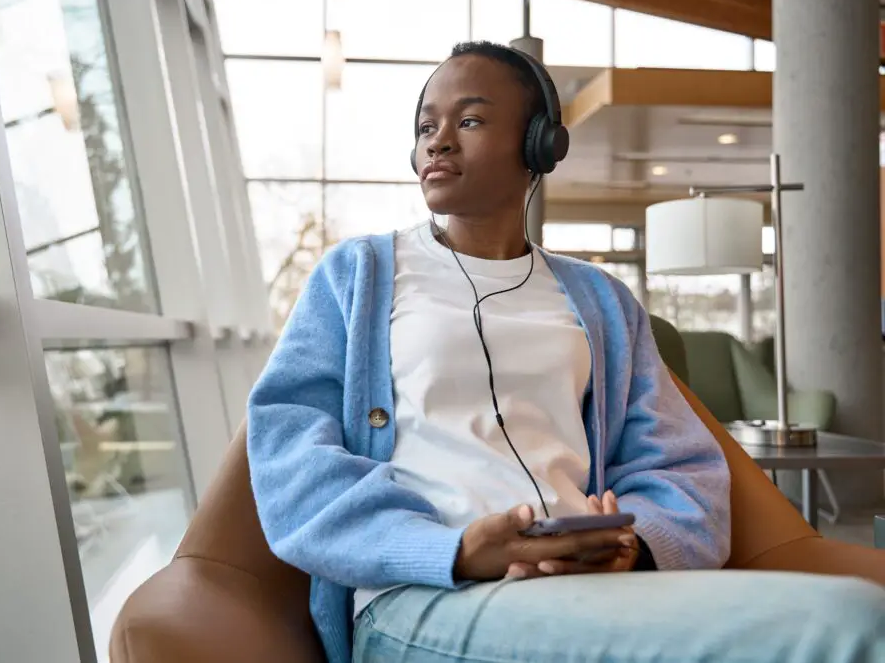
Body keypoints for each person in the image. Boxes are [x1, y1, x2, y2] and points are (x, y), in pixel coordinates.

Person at [247, 41, 885, 663]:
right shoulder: (355, 276)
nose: (438, 140)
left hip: (593, 586)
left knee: (857, 611)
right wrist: (455, 551)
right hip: (424, 599)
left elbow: (682, 466)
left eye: (468, 120)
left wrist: (635, 544)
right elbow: (290, 457)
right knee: (851, 624)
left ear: (540, 146)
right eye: (425, 126)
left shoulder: (600, 300)